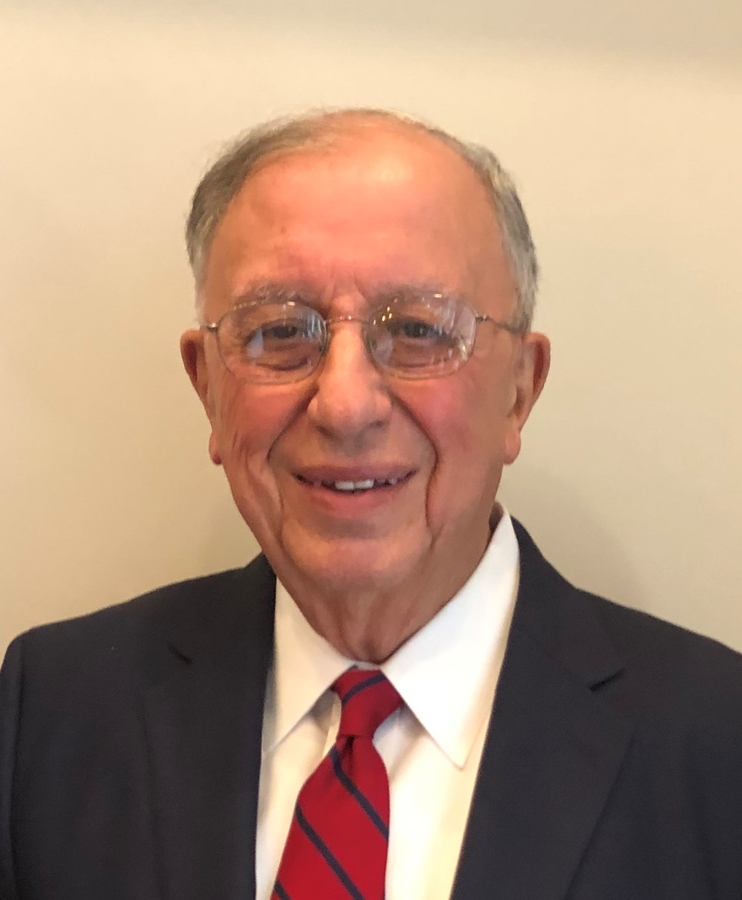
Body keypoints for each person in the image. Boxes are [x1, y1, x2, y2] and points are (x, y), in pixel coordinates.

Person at [1, 109, 741, 900]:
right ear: (207, 384)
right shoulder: (50, 714)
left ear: (520, 390)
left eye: (419, 329)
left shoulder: (718, 743)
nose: (345, 405)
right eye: (280, 332)